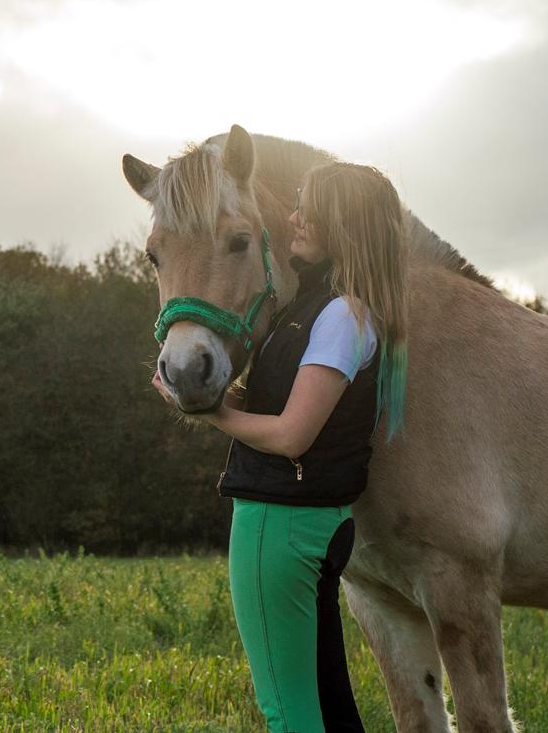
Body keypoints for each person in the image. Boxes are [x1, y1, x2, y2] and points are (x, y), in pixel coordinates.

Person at [155, 162, 409, 733]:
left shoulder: (341, 314)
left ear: (342, 224)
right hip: (311, 523)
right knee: (330, 708)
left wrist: (216, 412)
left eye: (308, 207)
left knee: (288, 712)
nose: (292, 217)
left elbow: (294, 435)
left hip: (281, 525)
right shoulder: (322, 310)